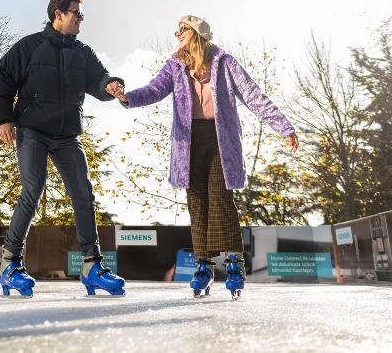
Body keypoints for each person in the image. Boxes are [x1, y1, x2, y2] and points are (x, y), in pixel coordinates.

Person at [106, 15, 298, 299]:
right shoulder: (174, 65)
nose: (177, 34)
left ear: (196, 33)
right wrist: (127, 97)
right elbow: (154, 90)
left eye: (181, 29)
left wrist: (284, 127)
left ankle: (234, 263)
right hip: (188, 141)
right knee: (197, 202)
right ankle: (203, 266)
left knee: (220, 196)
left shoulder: (225, 62)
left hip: (221, 140)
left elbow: (253, 96)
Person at [0, 0, 127, 298]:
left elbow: (98, 79)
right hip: (33, 130)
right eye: (76, 13)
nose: (81, 18)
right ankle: (10, 264)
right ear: (59, 14)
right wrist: (3, 119)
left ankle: (92, 267)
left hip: (67, 135)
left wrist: (111, 85)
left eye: (81, 13)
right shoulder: (29, 47)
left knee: (83, 194)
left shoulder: (82, 52)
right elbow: (3, 81)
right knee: (32, 191)